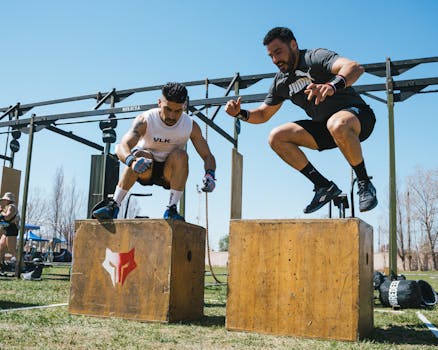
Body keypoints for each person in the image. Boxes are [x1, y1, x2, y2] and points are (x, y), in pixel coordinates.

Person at [225, 27, 377, 214]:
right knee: (277, 137)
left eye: (278, 52)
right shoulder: (280, 82)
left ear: (294, 45)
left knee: (337, 124)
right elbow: (263, 114)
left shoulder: (315, 57)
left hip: (357, 117)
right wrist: (240, 113)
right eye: (271, 56)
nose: (275, 60)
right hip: (325, 128)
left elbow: (354, 67)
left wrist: (331, 86)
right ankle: (323, 187)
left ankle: (364, 182)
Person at [93, 82, 216, 221]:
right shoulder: (146, 120)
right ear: (159, 103)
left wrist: (210, 175)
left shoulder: (190, 125)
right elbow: (123, 146)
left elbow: (208, 156)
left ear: (184, 107)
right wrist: (132, 161)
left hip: (169, 173)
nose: (171, 116)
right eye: (167, 109)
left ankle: (171, 209)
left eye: (177, 111)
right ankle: (114, 205)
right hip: (145, 168)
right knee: (139, 154)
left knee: (181, 156)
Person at [0, 192, 19, 268]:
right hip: (7, 230)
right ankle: (1, 266)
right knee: (0, 248)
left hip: (11, 230)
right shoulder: (7, 207)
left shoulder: (11, 207)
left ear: (8, 200)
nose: (4, 201)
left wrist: (1, 213)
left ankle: (22, 266)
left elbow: (7, 217)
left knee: (12, 250)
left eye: (5, 199)